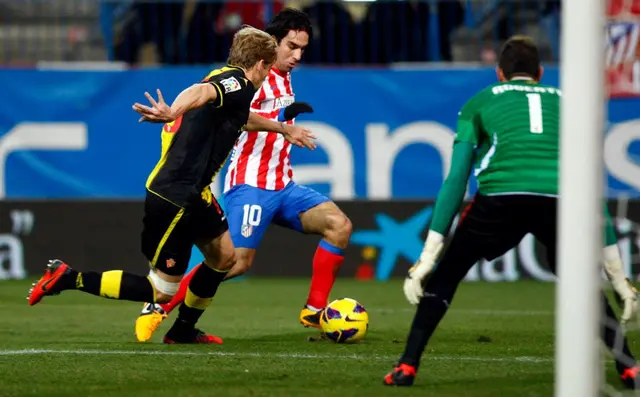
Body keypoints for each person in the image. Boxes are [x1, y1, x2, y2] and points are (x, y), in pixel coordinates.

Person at [27, 26, 315, 345]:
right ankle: (68, 277)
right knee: (161, 291)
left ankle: (182, 331)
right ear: (261, 63)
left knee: (225, 258)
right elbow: (200, 91)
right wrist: (172, 112)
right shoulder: (239, 83)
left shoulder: (232, 85)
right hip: (174, 196)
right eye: (270, 64)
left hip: (197, 194)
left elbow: (240, 118)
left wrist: (280, 128)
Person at [382, 35, 640, 389]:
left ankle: (407, 366)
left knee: (447, 274)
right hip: (561, 200)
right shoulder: (571, 104)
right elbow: (591, 188)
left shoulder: (480, 101)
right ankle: (629, 368)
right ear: (541, 72)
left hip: (501, 197)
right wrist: (618, 276)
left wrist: (427, 256)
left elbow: (456, 180)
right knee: (580, 282)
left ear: (499, 74)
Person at [134, 8, 353, 343]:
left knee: (339, 226)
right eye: (291, 47)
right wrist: (280, 120)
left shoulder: (285, 76)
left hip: (283, 184)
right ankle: (160, 307)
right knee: (234, 262)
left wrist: (284, 127)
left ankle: (313, 309)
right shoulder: (253, 77)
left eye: (302, 50)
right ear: (272, 44)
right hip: (250, 184)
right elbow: (218, 100)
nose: (297, 56)